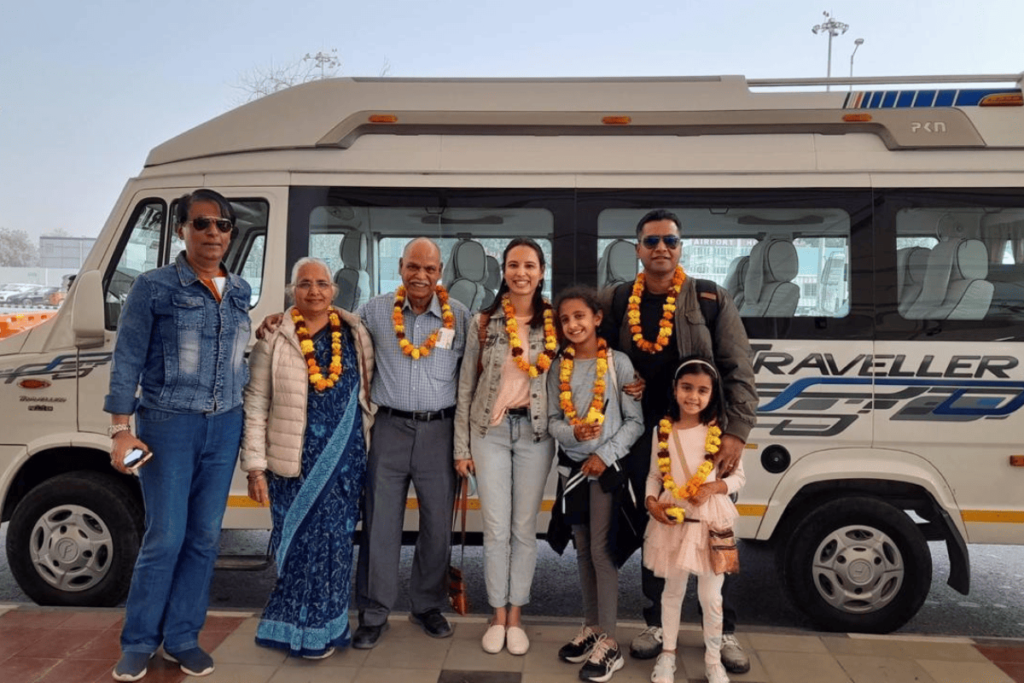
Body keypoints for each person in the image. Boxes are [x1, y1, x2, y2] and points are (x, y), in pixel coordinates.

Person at [600, 209, 757, 673]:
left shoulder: (708, 297)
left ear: (680, 247)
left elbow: (738, 369)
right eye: (651, 242)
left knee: (715, 533)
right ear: (638, 250)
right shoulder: (618, 298)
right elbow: (601, 355)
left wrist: (736, 433)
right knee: (658, 525)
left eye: (670, 240)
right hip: (642, 433)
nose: (661, 248)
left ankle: (724, 631)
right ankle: (656, 623)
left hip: (703, 434)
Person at [105, 189, 251, 681]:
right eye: (203, 223)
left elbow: (236, 357)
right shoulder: (153, 288)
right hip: (167, 425)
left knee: (205, 537)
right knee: (165, 536)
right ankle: (140, 641)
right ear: (183, 229)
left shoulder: (239, 291)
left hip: (226, 423)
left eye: (223, 225)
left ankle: (183, 638)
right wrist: (121, 431)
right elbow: (126, 360)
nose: (214, 233)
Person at [240, 257, 375, 659]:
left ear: (334, 290)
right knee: (295, 546)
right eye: (304, 283)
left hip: (344, 463)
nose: (313, 291)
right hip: (291, 465)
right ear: (291, 291)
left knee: (335, 547)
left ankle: (327, 630)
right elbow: (256, 402)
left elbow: (370, 392)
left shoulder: (355, 333)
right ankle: (288, 628)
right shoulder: (274, 337)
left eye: (321, 283)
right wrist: (255, 467)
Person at [352, 237, 471, 648]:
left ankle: (427, 605)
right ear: (401, 267)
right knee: (380, 524)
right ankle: (374, 612)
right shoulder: (375, 311)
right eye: (413, 267)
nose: (421, 276)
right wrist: (282, 319)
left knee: (437, 526)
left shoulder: (461, 317)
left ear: (440, 273)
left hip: (441, 431)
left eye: (430, 269)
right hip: (389, 429)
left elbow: (475, 374)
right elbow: (334, 330)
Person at [454, 237, 557, 656]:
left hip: (535, 434)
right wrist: (461, 448)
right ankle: (497, 616)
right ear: (504, 272)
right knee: (495, 529)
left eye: (529, 265)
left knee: (523, 528)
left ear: (541, 272)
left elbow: (587, 363)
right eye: (514, 265)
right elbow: (466, 387)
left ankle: (517, 617)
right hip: (489, 433)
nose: (521, 273)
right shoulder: (484, 322)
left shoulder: (554, 324)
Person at [546, 286, 644, 682]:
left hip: (604, 473)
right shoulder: (557, 367)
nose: (573, 324)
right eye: (565, 319)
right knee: (582, 550)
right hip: (572, 472)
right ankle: (591, 627)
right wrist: (572, 432)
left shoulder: (618, 363)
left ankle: (611, 642)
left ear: (597, 318)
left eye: (579, 316)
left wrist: (604, 455)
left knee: (603, 552)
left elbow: (636, 422)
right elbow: (552, 421)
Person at [644, 358, 746, 683]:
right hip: (673, 522)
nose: (693, 396)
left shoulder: (718, 433)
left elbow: (739, 477)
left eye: (702, 390)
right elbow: (653, 476)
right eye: (687, 388)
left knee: (710, 596)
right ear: (675, 390)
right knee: (671, 592)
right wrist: (650, 503)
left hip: (709, 523)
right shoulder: (663, 431)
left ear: (712, 394)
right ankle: (668, 654)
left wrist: (714, 486)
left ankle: (713, 659)